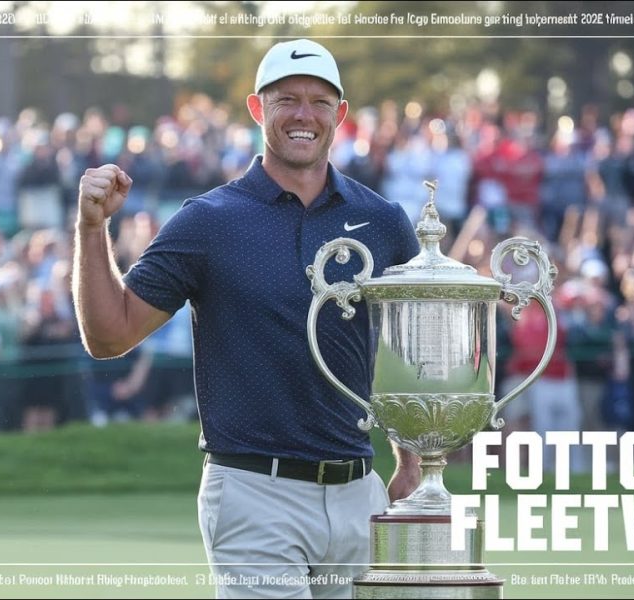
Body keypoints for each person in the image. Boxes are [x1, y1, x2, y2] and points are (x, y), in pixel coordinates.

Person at [73, 39, 421, 599]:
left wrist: (411, 460)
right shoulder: (208, 221)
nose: (304, 115)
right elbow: (109, 335)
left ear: (340, 114)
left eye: (319, 102)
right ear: (258, 108)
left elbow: (407, 350)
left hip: (360, 492)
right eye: (287, 100)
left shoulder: (382, 220)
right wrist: (93, 230)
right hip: (255, 492)